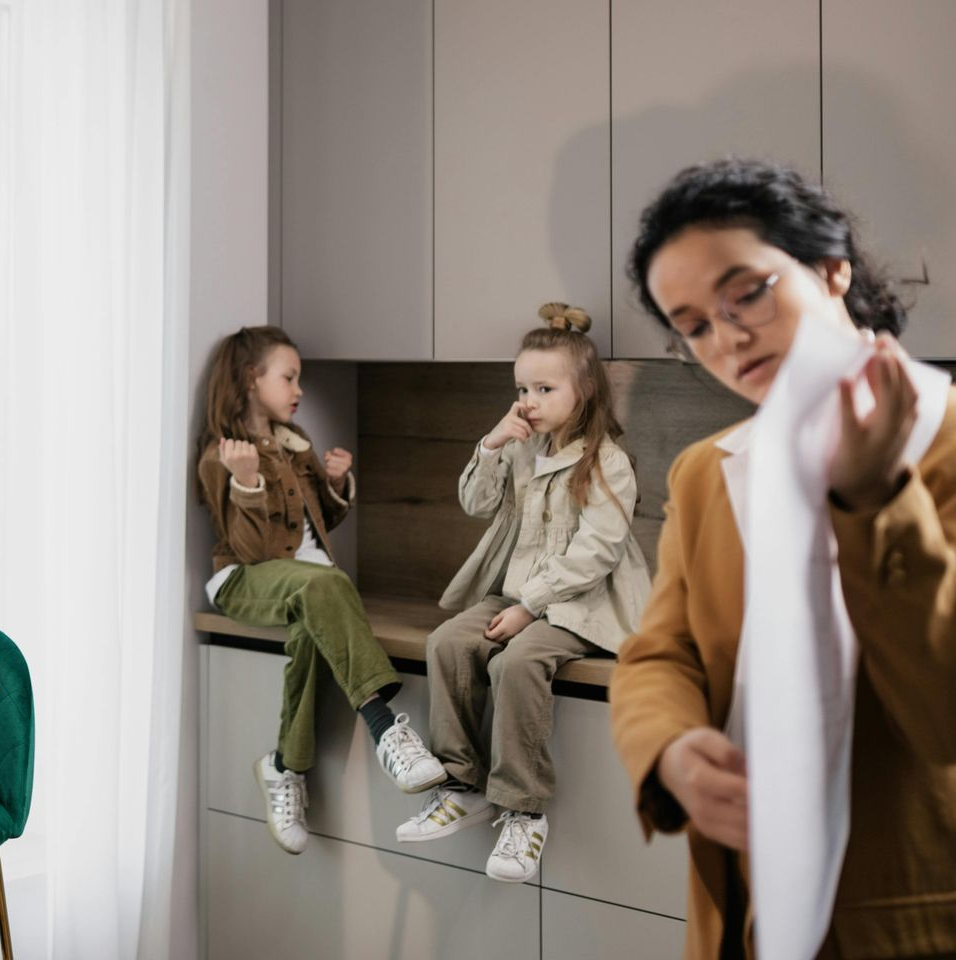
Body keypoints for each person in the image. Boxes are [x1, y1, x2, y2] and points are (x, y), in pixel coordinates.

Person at [615, 158, 956, 957]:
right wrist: (668, 750)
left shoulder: (944, 446)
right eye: (693, 324)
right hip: (744, 917)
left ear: (831, 268)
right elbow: (659, 653)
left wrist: (872, 503)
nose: (727, 337)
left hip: (907, 925)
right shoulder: (708, 471)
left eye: (748, 292)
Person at [398, 316, 650, 883]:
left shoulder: (607, 461)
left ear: (583, 391)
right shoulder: (522, 449)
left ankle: (523, 808)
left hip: (584, 603)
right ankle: (461, 783)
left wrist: (529, 607)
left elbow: (596, 554)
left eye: (544, 389)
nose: (529, 401)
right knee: (447, 642)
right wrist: (493, 441)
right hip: (518, 593)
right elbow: (476, 503)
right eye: (521, 389)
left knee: (519, 660)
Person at [195, 325, 446, 856]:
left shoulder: (295, 444)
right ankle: (386, 730)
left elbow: (324, 519)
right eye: (289, 377)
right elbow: (252, 549)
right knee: (323, 583)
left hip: (311, 585)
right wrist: (246, 483)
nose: (299, 389)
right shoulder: (223, 454)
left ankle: (284, 766)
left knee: (317, 605)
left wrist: (337, 483)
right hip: (247, 579)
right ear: (249, 379)